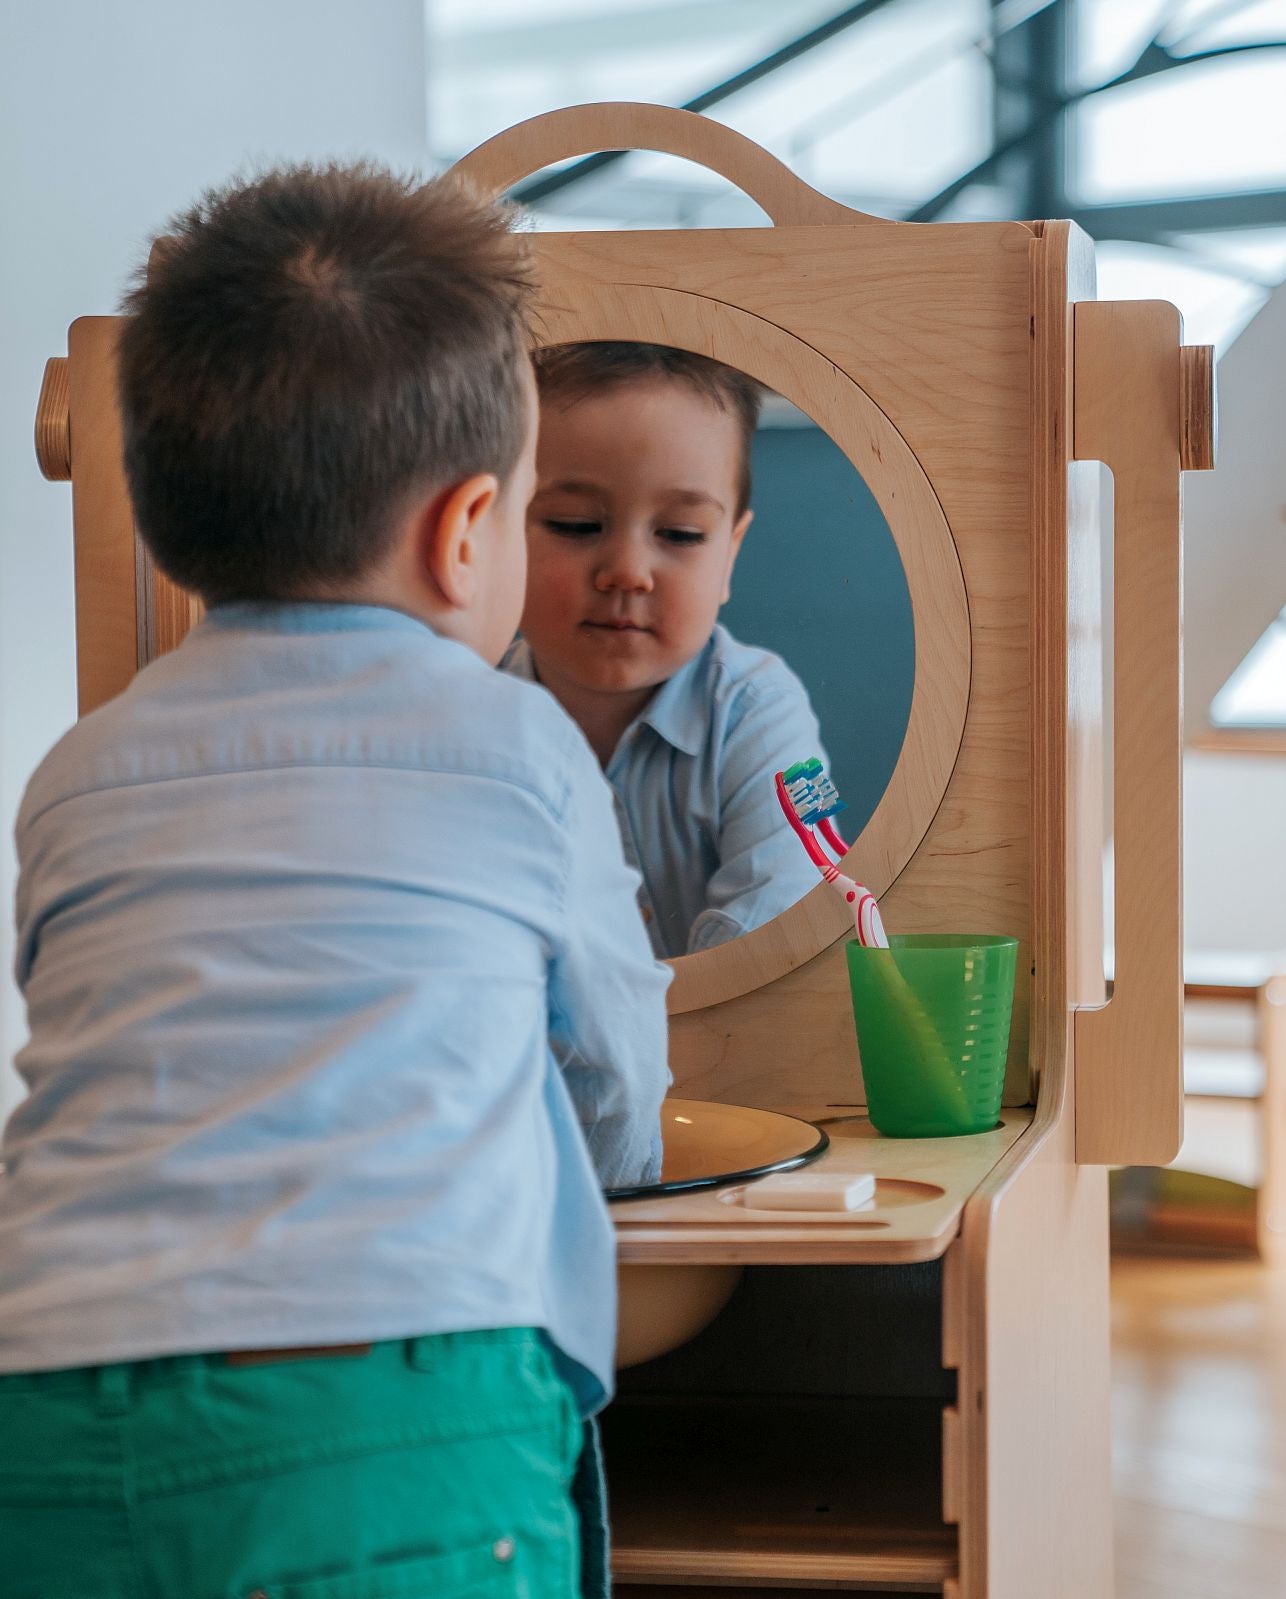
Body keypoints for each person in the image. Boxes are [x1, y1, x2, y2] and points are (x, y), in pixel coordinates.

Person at [0, 163, 669, 1598]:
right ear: (466, 529)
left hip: (43, 1399)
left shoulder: (77, 769)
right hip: (391, 1414)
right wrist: (610, 1161)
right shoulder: (519, 742)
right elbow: (616, 1065)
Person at [502, 342, 828, 960]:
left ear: (730, 554)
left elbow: (787, 911)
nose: (627, 573)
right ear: (497, 527)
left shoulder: (756, 710)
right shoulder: (474, 712)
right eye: (575, 524)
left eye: (680, 534)